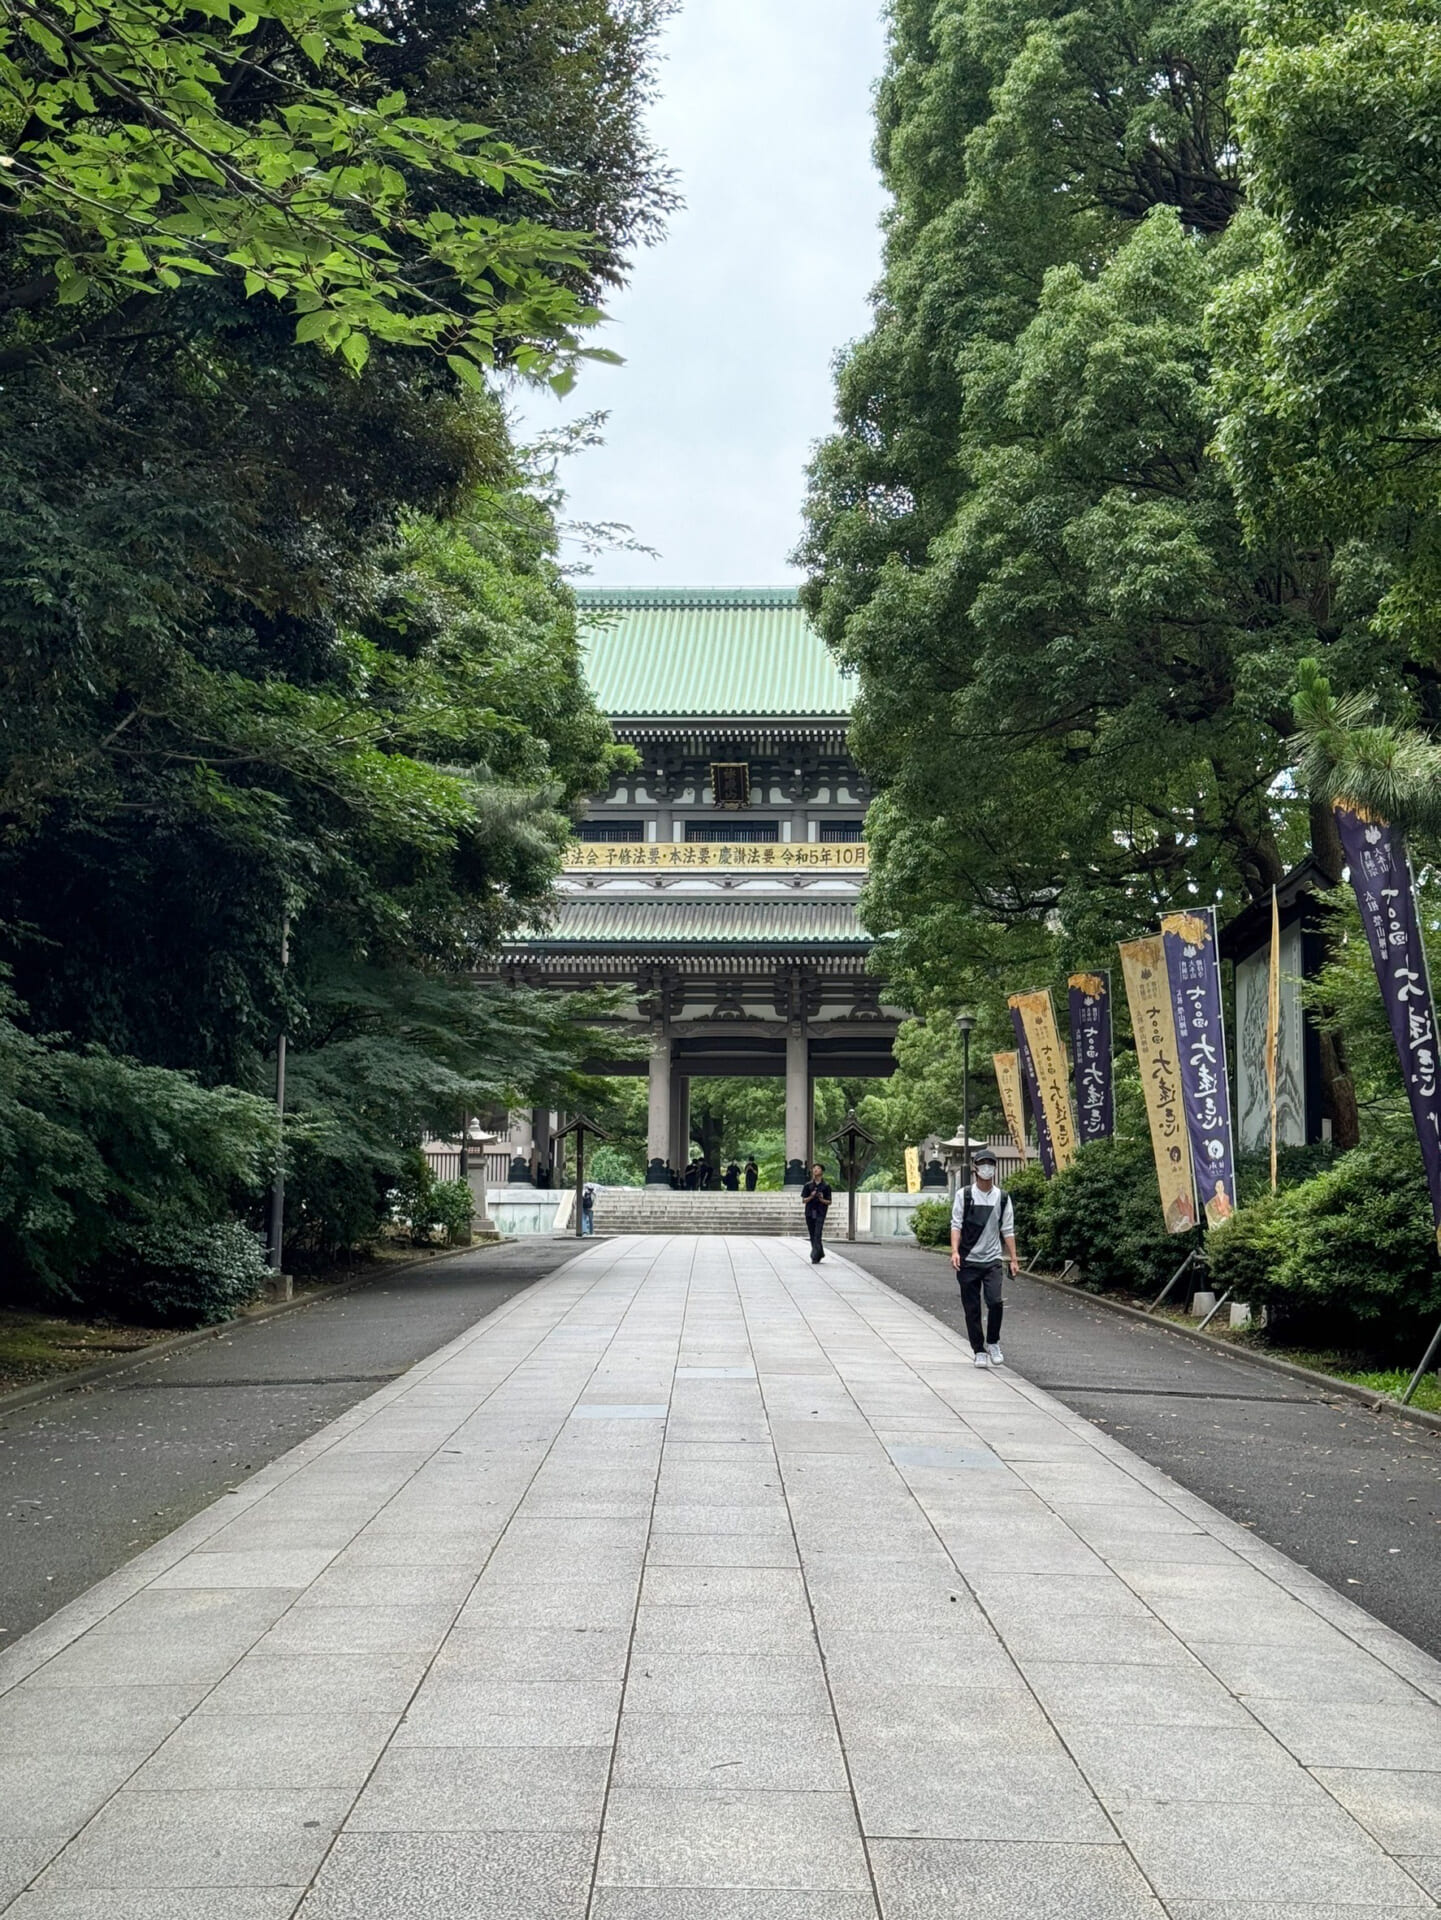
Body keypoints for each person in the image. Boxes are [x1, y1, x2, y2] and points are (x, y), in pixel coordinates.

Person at [950, 1144, 1019, 1368]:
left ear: (995, 1169)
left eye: (990, 1164)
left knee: (995, 1302)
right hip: (968, 1260)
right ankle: (978, 1350)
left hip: (992, 1260)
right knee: (972, 1309)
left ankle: (993, 1342)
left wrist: (1014, 1258)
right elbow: (956, 1225)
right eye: (982, 1164)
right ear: (975, 1168)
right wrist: (954, 1251)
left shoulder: (1002, 1198)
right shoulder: (965, 1195)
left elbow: (1007, 1230)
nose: (986, 1168)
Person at [801, 1162, 832, 1263]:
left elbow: (829, 1201)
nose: (815, 1170)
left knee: (817, 1234)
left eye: (818, 1168)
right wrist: (811, 1196)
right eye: (814, 1168)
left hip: (820, 1212)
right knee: (812, 1233)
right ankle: (820, 1253)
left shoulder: (826, 1186)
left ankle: (814, 1256)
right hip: (810, 1212)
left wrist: (821, 1199)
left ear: (822, 1171)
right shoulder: (808, 1185)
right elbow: (804, 1200)